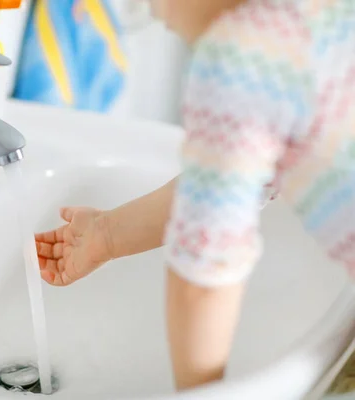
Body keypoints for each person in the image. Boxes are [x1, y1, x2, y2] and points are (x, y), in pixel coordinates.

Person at [35, 0, 355, 391]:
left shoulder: (242, 56)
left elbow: (204, 274)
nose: (153, 13)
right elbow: (238, 186)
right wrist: (106, 233)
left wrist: (200, 395)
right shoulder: (318, 24)